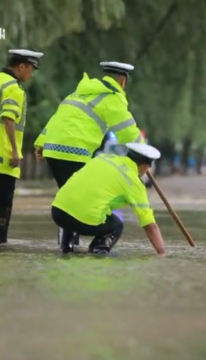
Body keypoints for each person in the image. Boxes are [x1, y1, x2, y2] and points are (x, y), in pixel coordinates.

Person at [33, 61, 145, 249]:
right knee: (75, 201)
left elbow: (58, 117)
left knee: (69, 197)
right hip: (74, 151)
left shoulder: (79, 92)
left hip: (52, 148)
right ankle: (71, 247)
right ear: (123, 81)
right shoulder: (112, 98)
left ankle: (68, 247)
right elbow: (128, 133)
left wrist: (40, 142)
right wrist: (144, 155)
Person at [51, 143, 166, 255]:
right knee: (116, 225)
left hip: (58, 210)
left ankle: (65, 250)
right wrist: (162, 253)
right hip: (81, 218)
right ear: (146, 167)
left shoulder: (104, 158)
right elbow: (149, 225)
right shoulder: (134, 183)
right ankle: (97, 253)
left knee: (78, 206)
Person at [0, 49, 43, 243]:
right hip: (3, 159)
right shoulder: (13, 89)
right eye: (30, 69)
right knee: (2, 211)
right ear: (21, 66)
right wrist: (15, 151)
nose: (30, 74)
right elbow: (8, 119)